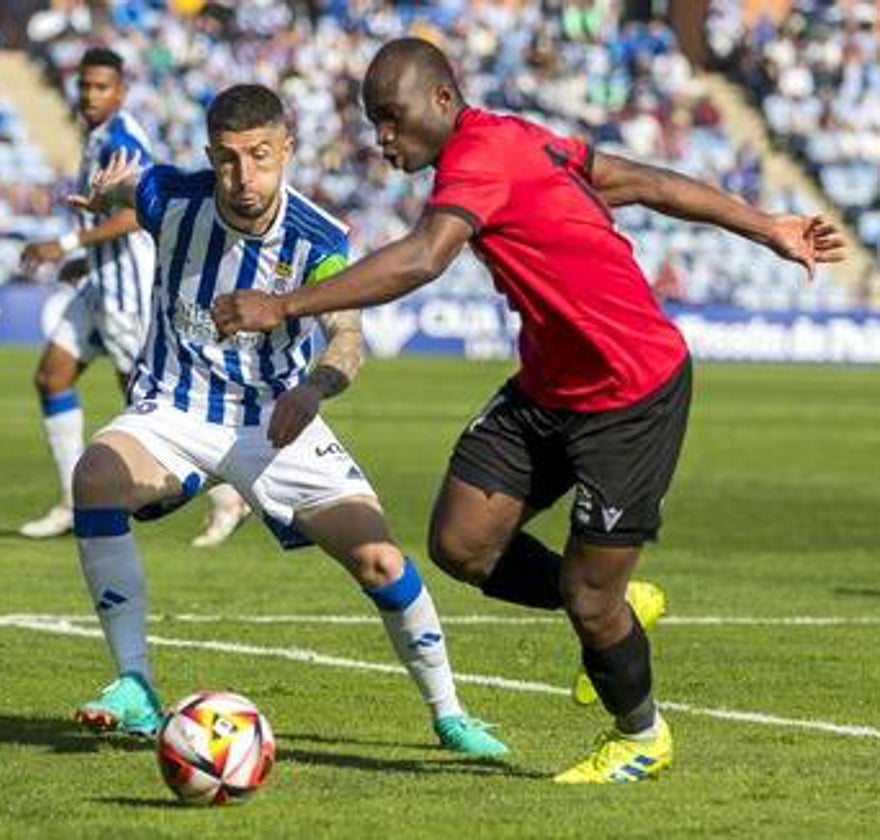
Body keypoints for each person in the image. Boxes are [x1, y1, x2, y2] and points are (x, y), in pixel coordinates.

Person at [213, 38, 847, 783]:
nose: (383, 136)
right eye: (372, 122)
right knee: (462, 545)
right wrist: (764, 224)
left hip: (630, 392)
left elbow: (424, 256)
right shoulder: (517, 139)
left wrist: (283, 305)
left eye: (392, 117)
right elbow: (636, 181)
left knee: (588, 594)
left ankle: (641, 735)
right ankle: (623, 608)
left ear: (443, 101)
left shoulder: (480, 157)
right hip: (548, 387)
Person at [62, 84, 507, 759]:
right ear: (211, 156)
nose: (245, 178)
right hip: (175, 410)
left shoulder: (317, 237)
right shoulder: (173, 197)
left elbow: (347, 337)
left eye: (261, 157)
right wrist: (109, 195)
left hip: (275, 421)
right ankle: (134, 684)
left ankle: (449, 713)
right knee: (94, 476)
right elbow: (132, 191)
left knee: (381, 561)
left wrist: (317, 387)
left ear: (288, 150)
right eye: (230, 160)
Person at [18, 47, 250, 544]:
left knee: (151, 405)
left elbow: (135, 213)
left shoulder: (122, 140)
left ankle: (229, 497)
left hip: (128, 294)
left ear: (121, 91)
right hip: (100, 283)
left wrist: (64, 245)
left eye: (101, 87)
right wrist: (85, 260)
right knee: (51, 376)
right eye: (84, 85)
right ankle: (68, 499)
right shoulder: (98, 135)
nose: (89, 95)